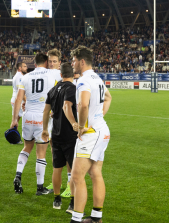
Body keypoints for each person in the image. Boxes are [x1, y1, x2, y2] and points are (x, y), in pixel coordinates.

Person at [70, 46, 112, 223]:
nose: (72, 64)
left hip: (91, 133)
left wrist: (80, 126)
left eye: (73, 60)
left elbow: (83, 105)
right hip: (102, 130)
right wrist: (99, 116)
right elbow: (109, 97)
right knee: (95, 173)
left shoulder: (84, 80)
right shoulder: (98, 78)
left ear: (81, 61)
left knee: (77, 176)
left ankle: (76, 219)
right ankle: (96, 218)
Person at [11, 53, 61, 195]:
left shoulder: (26, 77)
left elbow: (18, 99)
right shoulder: (53, 74)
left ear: (34, 62)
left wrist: (14, 119)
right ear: (46, 62)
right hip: (42, 117)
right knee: (41, 153)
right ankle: (40, 188)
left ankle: (18, 175)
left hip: (27, 117)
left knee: (27, 147)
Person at [42, 63, 78, 212]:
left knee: (57, 168)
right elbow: (67, 107)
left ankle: (57, 200)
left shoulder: (53, 90)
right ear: (73, 74)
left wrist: (45, 129)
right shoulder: (73, 89)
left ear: (61, 74)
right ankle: (72, 202)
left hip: (55, 134)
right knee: (74, 170)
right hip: (70, 134)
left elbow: (46, 111)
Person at [46, 49, 71, 197]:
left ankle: (69, 184)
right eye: (50, 61)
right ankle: (57, 182)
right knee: (54, 151)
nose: (52, 63)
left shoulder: (60, 77)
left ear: (59, 63)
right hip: (50, 121)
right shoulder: (46, 75)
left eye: (54, 61)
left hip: (62, 119)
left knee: (68, 153)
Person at [10, 62, 28, 145]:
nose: (26, 67)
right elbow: (20, 91)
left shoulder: (19, 76)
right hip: (18, 101)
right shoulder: (19, 77)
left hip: (17, 100)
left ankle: (14, 138)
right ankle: (13, 139)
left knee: (16, 120)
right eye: (24, 66)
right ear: (19, 68)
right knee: (15, 120)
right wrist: (26, 101)